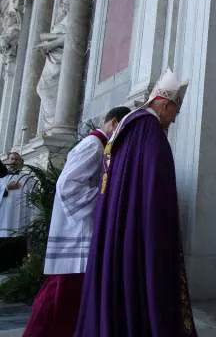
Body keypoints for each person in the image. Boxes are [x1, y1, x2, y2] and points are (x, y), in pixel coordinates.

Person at [75, 68, 196, 336]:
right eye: (175, 112)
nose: (173, 121)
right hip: (139, 232)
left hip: (118, 229)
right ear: (164, 104)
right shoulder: (150, 132)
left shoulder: (130, 127)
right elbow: (156, 192)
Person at [22, 106, 131, 337]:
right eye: (121, 128)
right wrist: (106, 198)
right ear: (112, 123)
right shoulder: (93, 145)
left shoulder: (100, 147)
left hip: (80, 230)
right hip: (77, 233)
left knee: (64, 296)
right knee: (60, 296)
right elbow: (69, 187)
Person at [0, 152, 28, 272]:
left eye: (17, 160)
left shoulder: (28, 179)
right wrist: (6, 188)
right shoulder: (1, 179)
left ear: (21, 163)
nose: (14, 162)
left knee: (17, 260)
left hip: (20, 224)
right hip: (3, 221)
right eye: (11, 159)